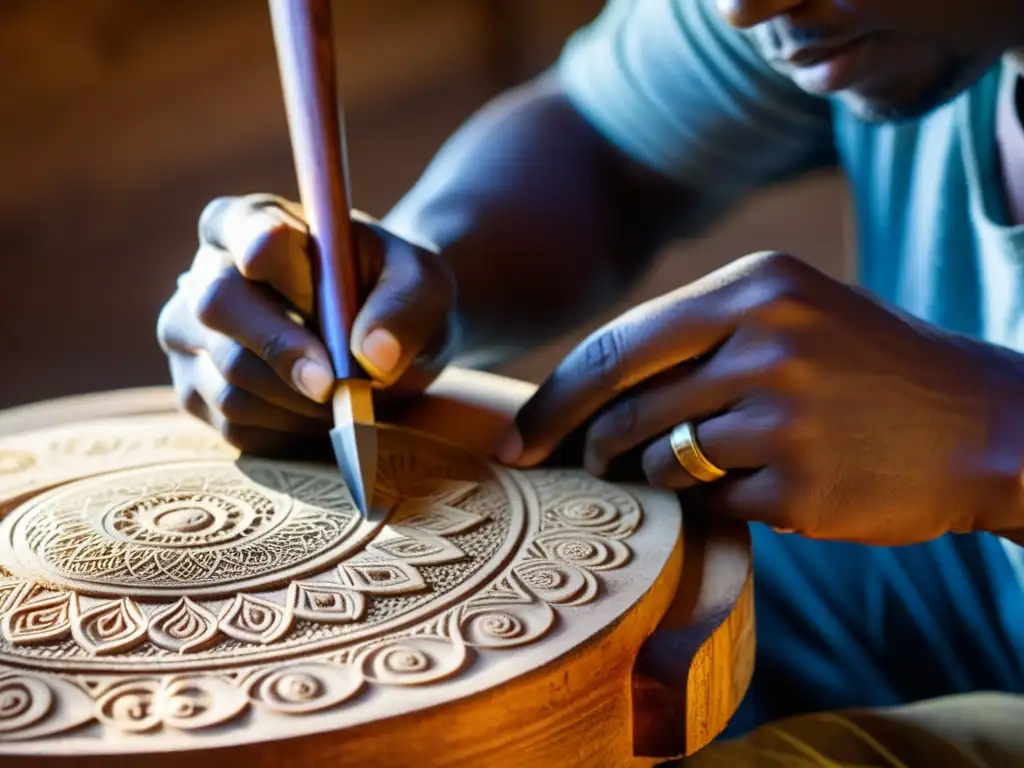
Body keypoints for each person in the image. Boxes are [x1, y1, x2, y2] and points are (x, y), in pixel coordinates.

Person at [158, 0, 1024, 761]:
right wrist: (388, 290)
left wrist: (999, 433)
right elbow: (600, 140)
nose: (740, 11)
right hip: (930, 590)